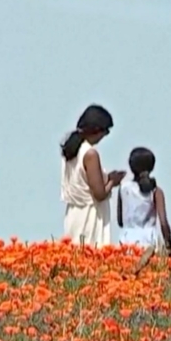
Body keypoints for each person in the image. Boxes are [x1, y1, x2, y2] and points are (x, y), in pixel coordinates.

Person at [60, 104, 126, 247]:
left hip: (73, 214)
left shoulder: (71, 151)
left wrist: (107, 177)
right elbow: (99, 194)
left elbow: (83, 180)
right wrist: (113, 182)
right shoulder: (90, 154)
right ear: (96, 130)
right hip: (89, 216)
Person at [117, 147, 171, 257]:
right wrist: (169, 246)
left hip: (126, 239)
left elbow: (120, 221)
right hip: (149, 239)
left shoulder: (123, 188)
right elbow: (163, 223)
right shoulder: (156, 191)